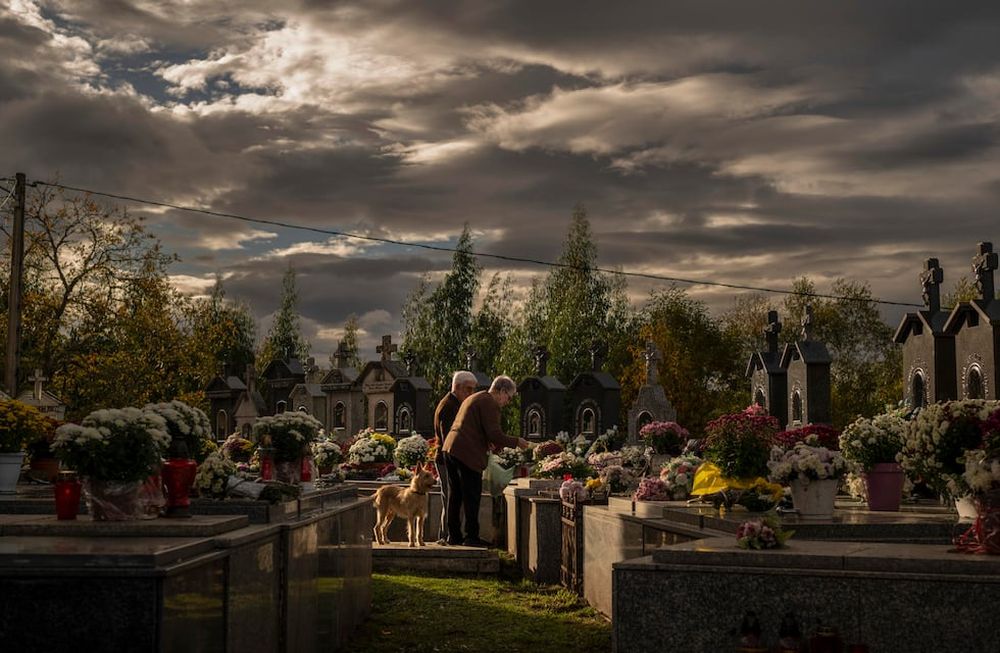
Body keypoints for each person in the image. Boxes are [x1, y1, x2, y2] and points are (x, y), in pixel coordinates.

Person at [442, 375, 530, 547]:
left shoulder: (477, 397)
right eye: (509, 397)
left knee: (456, 495)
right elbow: (494, 433)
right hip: (467, 453)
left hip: (451, 448)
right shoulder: (490, 403)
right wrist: (516, 442)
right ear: (502, 391)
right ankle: (471, 537)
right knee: (472, 496)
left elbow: (477, 428)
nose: (508, 402)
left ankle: (454, 536)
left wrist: (490, 442)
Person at [431, 370, 478, 545]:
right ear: (457, 387)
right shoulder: (449, 406)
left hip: (451, 458)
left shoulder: (456, 403)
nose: (471, 393)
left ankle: (447, 535)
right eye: (468, 389)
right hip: (448, 460)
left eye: (473, 389)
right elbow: (449, 438)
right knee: (451, 499)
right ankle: (447, 536)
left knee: (452, 498)